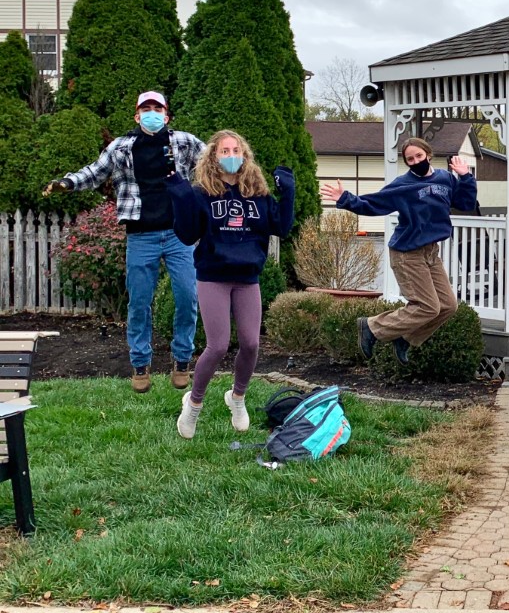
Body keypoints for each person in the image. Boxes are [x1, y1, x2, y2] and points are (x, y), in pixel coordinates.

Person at [44, 91, 204, 393]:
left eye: (158, 108)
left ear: (167, 115)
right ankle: (140, 364)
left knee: (187, 295)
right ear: (137, 115)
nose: (152, 113)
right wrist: (66, 182)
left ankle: (182, 359)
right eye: (146, 109)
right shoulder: (121, 147)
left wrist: (238, 174)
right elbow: (95, 172)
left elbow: (213, 162)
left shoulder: (184, 142)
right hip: (140, 235)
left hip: (179, 233)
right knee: (139, 302)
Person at [167, 130, 295, 439]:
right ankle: (193, 404)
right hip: (213, 275)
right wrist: (180, 196)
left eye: (236, 149)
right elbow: (186, 235)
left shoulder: (259, 195)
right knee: (219, 345)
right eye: (224, 150)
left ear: (245, 155)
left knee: (251, 344)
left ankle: (237, 397)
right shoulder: (202, 193)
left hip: (247, 277)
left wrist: (287, 193)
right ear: (213, 157)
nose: (231, 155)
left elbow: (282, 226)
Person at [320, 138, 477, 364]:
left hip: (431, 252)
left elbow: (465, 203)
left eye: (419, 157)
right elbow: (372, 204)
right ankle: (372, 327)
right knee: (427, 306)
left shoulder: (445, 178)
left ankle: (406, 337)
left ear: (428, 155)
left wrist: (465, 177)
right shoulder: (402, 186)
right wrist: (345, 199)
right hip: (407, 253)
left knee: (448, 306)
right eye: (410, 159)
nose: (415, 161)